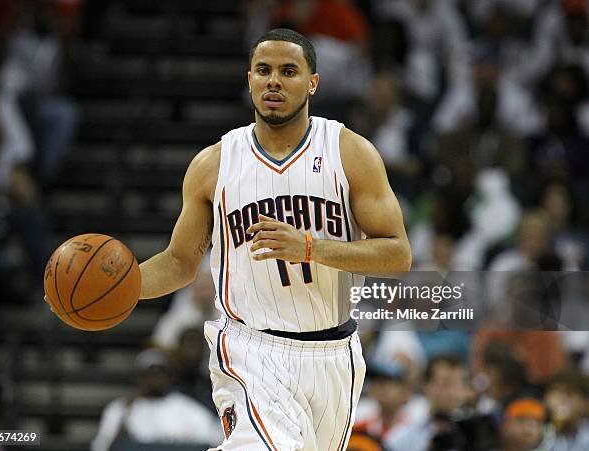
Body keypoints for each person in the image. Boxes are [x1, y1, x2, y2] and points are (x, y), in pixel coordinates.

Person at [137, 28, 411, 450]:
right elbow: (178, 263)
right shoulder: (213, 165)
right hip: (252, 350)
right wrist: (121, 288)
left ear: (313, 83)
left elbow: (397, 255)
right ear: (249, 78)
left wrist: (309, 248)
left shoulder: (350, 153)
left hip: (335, 353)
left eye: (288, 71)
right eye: (263, 70)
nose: (274, 81)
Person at [91, 348, 221, 451]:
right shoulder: (120, 408)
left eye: (161, 372)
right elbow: (101, 446)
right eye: (150, 373)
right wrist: (124, 420)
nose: (156, 379)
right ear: (140, 378)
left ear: (170, 377)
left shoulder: (186, 406)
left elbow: (216, 439)